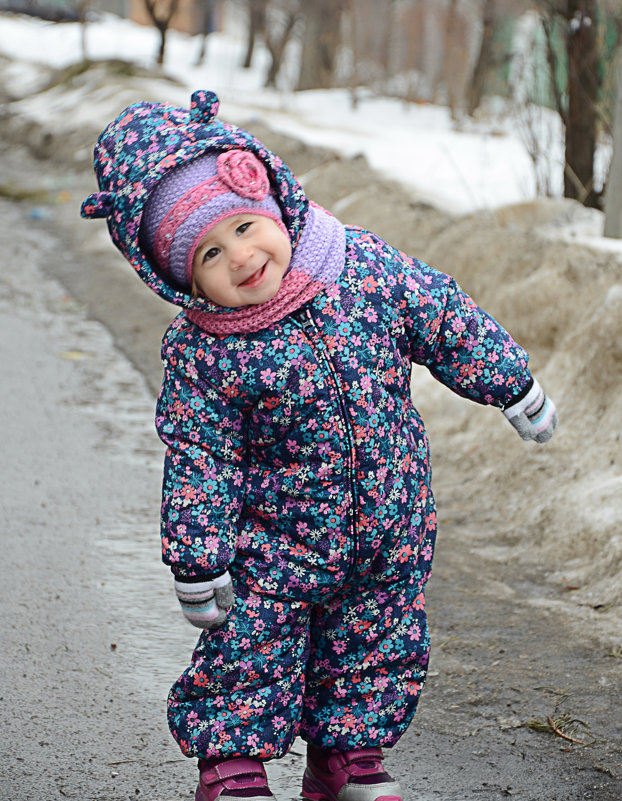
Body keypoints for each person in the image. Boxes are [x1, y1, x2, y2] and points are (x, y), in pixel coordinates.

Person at [81, 90, 557, 801]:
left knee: (375, 646)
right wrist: (198, 558)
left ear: (270, 199)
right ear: (178, 276)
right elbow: (199, 460)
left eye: (244, 226)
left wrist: (512, 384)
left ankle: (347, 758)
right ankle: (233, 763)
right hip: (274, 545)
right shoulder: (205, 350)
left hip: (389, 524)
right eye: (209, 252)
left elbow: (443, 317)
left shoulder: (358, 265)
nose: (241, 256)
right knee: (251, 648)